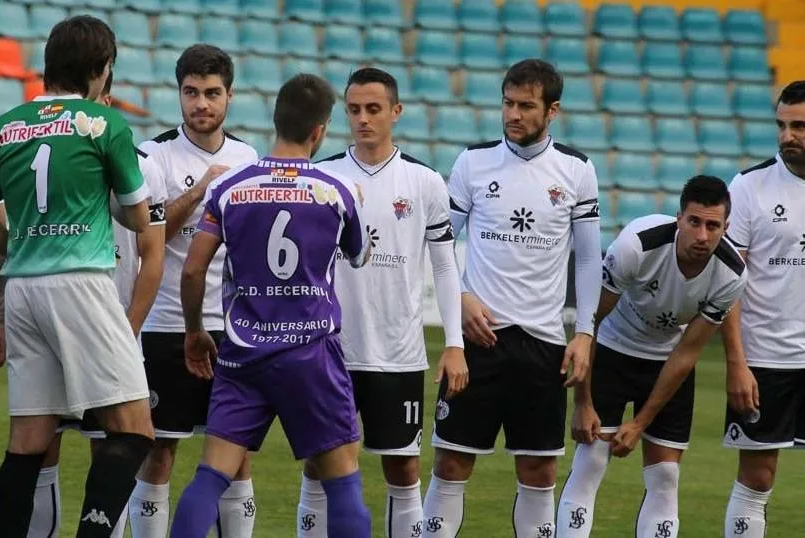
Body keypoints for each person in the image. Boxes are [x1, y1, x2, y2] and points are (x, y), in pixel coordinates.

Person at [0, 15, 155, 537]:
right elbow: (140, 220)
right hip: (82, 282)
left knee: (27, 441)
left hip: (24, 289)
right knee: (136, 430)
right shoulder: (105, 124)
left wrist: (24, 244)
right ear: (101, 69)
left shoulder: (7, 124)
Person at [167, 73, 372, 538]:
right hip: (313, 354)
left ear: (275, 120)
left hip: (243, 352)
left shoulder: (230, 187)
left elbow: (193, 270)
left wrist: (195, 330)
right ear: (319, 130)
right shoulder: (336, 190)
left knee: (211, 475)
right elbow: (358, 255)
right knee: (343, 485)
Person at [421, 59, 602, 538]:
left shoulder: (577, 170)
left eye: (526, 106)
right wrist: (460, 296)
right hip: (480, 343)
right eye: (508, 103)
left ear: (552, 110)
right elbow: (438, 244)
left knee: (540, 474)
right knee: (452, 464)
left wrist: (583, 333)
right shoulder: (472, 163)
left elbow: (587, 262)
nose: (513, 114)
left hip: (543, 344)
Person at [298, 67, 465, 538]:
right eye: (353, 110)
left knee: (404, 471)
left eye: (374, 109)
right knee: (318, 467)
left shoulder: (425, 181)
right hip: (329, 352)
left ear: (396, 111)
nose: (363, 119)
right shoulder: (323, 176)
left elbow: (446, 267)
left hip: (398, 353)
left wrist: (454, 344)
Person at [12, 70, 167, 538]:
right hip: (79, 306)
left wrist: (131, 326)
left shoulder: (144, 162)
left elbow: (152, 255)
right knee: (50, 447)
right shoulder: (88, 141)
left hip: (93, 315)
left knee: (86, 445)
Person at [556, 175, 747, 538]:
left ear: (726, 227)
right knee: (591, 462)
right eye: (694, 222)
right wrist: (582, 402)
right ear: (679, 218)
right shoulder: (636, 245)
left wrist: (640, 423)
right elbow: (589, 323)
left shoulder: (732, 274)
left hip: (666, 362)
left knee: (665, 476)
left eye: (713, 226)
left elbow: (686, 353)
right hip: (611, 350)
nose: (702, 236)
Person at [122, 43, 259, 538]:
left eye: (212, 93)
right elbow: (148, 240)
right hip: (165, 325)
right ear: (178, 94)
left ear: (230, 96)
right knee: (158, 451)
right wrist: (202, 190)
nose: (202, 103)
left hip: (232, 327)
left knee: (234, 454)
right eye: (192, 92)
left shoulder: (249, 158)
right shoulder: (154, 155)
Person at [720, 80, 805, 538]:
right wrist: (737, 362)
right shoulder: (750, 187)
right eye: (782, 125)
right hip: (766, 358)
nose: (786, 136)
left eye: (799, 127)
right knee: (757, 478)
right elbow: (728, 283)